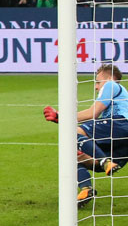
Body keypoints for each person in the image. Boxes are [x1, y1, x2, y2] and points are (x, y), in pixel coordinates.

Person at [44, 64, 128, 207]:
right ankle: (86, 189)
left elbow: (92, 113)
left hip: (120, 124)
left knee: (72, 133)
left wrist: (60, 116)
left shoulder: (111, 85)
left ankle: (104, 161)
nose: (96, 87)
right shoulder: (118, 97)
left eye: (98, 82)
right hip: (121, 140)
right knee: (73, 156)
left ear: (109, 78)